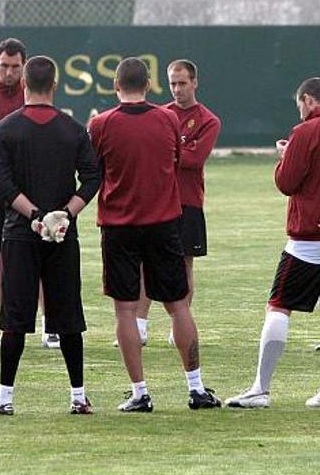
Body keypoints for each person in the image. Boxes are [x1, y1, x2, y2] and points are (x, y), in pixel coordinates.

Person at [225, 77, 320, 409]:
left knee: (279, 306)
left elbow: (287, 182)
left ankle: (260, 389)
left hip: (307, 238)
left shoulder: (304, 132)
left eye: (300, 106)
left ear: (308, 100)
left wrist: (284, 156)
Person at [90, 57, 221, 412]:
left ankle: (140, 392)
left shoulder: (101, 124)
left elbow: (93, 170)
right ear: (149, 85)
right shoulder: (167, 119)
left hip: (119, 226)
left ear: (116, 86)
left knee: (125, 311)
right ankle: (195, 388)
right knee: (179, 305)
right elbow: (179, 159)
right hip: (164, 222)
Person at [0, 56, 100, 415]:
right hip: (62, 235)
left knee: (15, 317)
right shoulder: (74, 129)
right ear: (56, 86)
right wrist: (65, 214)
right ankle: (78, 396)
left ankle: (5, 398)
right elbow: (92, 178)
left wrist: (34, 216)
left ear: (24, 85)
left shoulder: (6, 129)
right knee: (68, 317)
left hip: (20, 233)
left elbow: (4, 185)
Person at [0, 39, 59, 348]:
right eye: (4, 65)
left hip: (30, 192)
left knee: (42, 253)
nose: (9, 72)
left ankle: (50, 325)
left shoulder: (33, 99)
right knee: (0, 259)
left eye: (16, 66)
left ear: (25, 67)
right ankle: (9, 323)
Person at [116, 59, 221, 348]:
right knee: (144, 264)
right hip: (157, 200)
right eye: (173, 83)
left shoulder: (208, 120)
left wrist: (169, 153)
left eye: (183, 83)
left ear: (195, 82)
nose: (177, 89)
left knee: (185, 263)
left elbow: (193, 159)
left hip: (188, 201)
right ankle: (139, 324)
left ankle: (180, 325)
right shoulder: (161, 115)